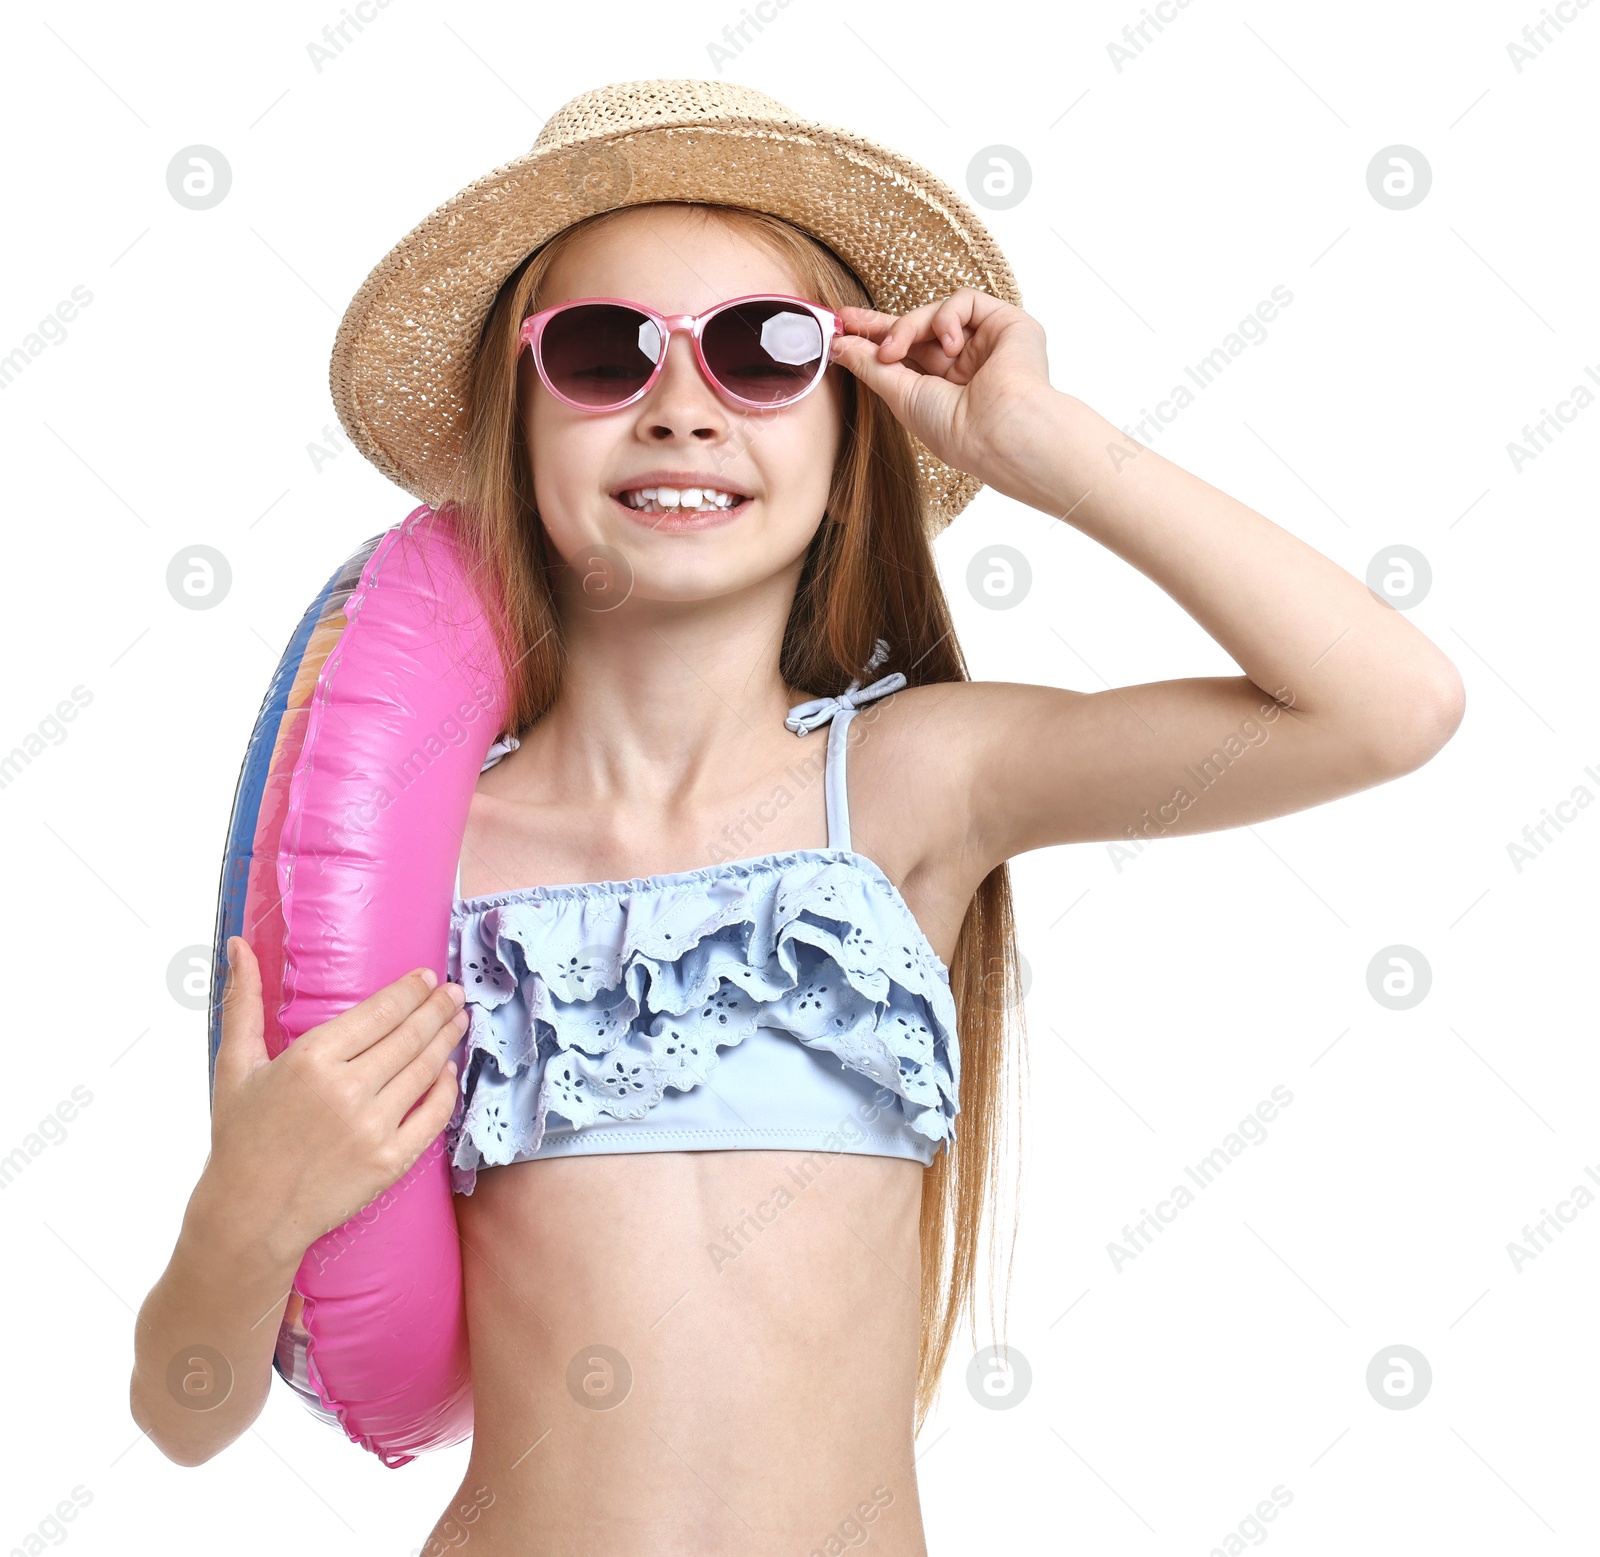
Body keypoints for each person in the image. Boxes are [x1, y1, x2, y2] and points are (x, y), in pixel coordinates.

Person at [130, 80, 1464, 1555]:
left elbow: (1388, 706)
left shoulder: (912, 786)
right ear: (516, 424)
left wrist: (1051, 447)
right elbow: (181, 1413)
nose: (682, 404)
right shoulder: (429, 864)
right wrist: (241, 1212)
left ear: (851, 434)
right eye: (600, 351)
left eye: (764, 354)